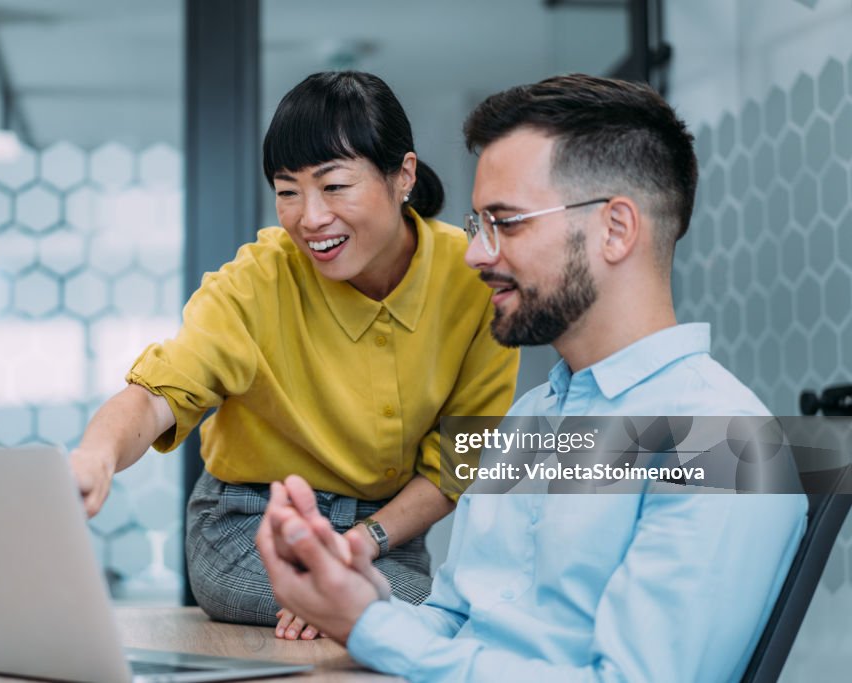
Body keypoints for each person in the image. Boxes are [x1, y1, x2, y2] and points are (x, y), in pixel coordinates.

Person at [258, 74, 808, 681]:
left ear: (616, 229)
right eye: (479, 224)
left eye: (508, 223)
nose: (475, 254)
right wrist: (351, 597)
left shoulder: (728, 442)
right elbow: (455, 623)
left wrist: (370, 626)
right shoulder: (531, 420)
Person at [68, 71, 519, 639]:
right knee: (419, 616)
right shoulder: (257, 279)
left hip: (387, 537)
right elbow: (161, 392)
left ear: (402, 175)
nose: (310, 218)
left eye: (334, 187)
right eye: (288, 191)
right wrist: (96, 454)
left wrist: (354, 552)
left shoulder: (474, 280)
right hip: (249, 528)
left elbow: (457, 463)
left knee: (432, 612)